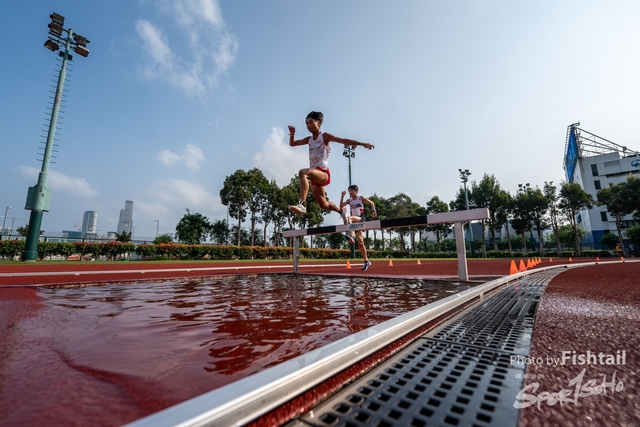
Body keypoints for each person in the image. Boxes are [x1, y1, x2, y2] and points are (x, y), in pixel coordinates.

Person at [288, 111, 374, 222]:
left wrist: (362, 144)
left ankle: (302, 204)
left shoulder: (324, 136)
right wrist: (292, 134)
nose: (308, 125)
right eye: (306, 123)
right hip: (314, 175)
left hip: (323, 173)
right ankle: (341, 211)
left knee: (302, 172)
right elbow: (293, 144)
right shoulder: (309, 139)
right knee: (324, 204)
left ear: (318, 123)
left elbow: (343, 140)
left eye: (311, 122)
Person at [340, 184, 377, 271]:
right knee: (360, 243)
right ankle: (366, 261)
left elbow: (371, 203)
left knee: (349, 218)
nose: (350, 192)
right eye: (349, 191)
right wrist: (342, 196)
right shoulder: (349, 200)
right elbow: (341, 206)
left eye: (352, 190)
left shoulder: (361, 198)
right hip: (354, 224)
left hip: (360, 218)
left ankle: (351, 235)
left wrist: (374, 210)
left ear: (356, 191)